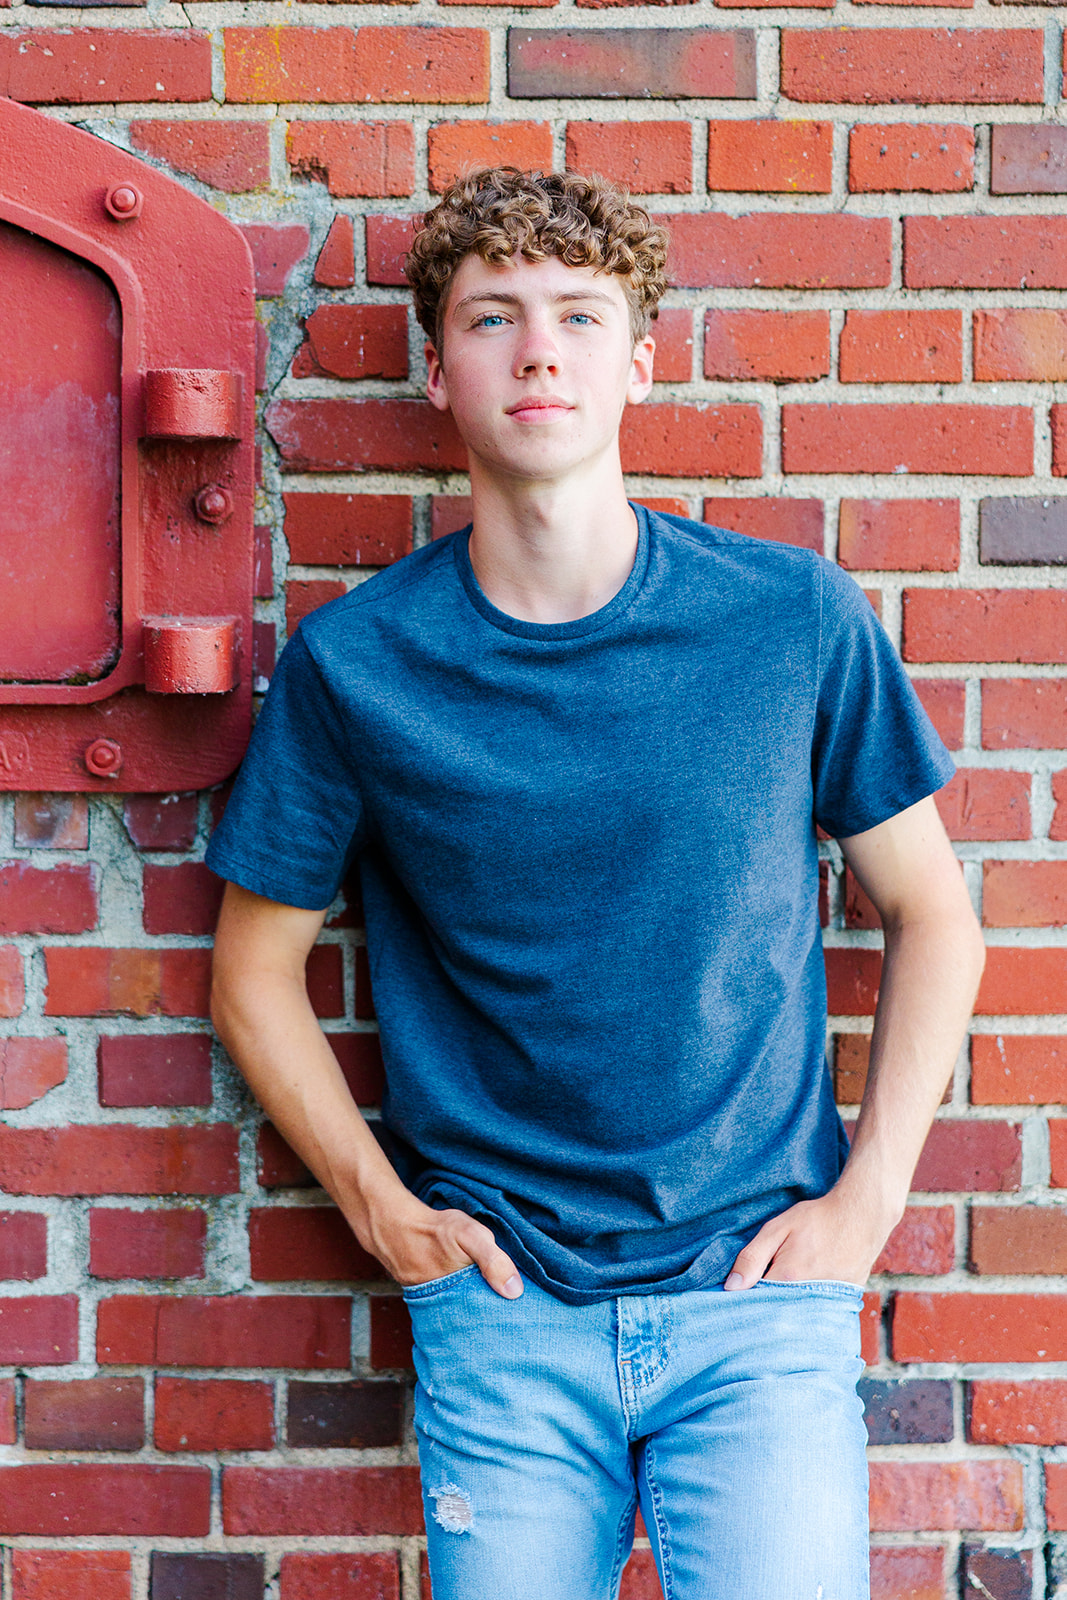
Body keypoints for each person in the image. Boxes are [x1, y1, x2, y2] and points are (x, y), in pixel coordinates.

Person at [208, 167, 986, 1600]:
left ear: (639, 361)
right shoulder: (357, 664)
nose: (539, 349)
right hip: (504, 1320)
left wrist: (866, 1206)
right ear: (438, 374)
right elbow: (252, 973)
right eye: (492, 318)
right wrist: (389, 1218)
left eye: (578, 314)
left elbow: (934, 912)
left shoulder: (789, 619)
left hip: (760, 1303)